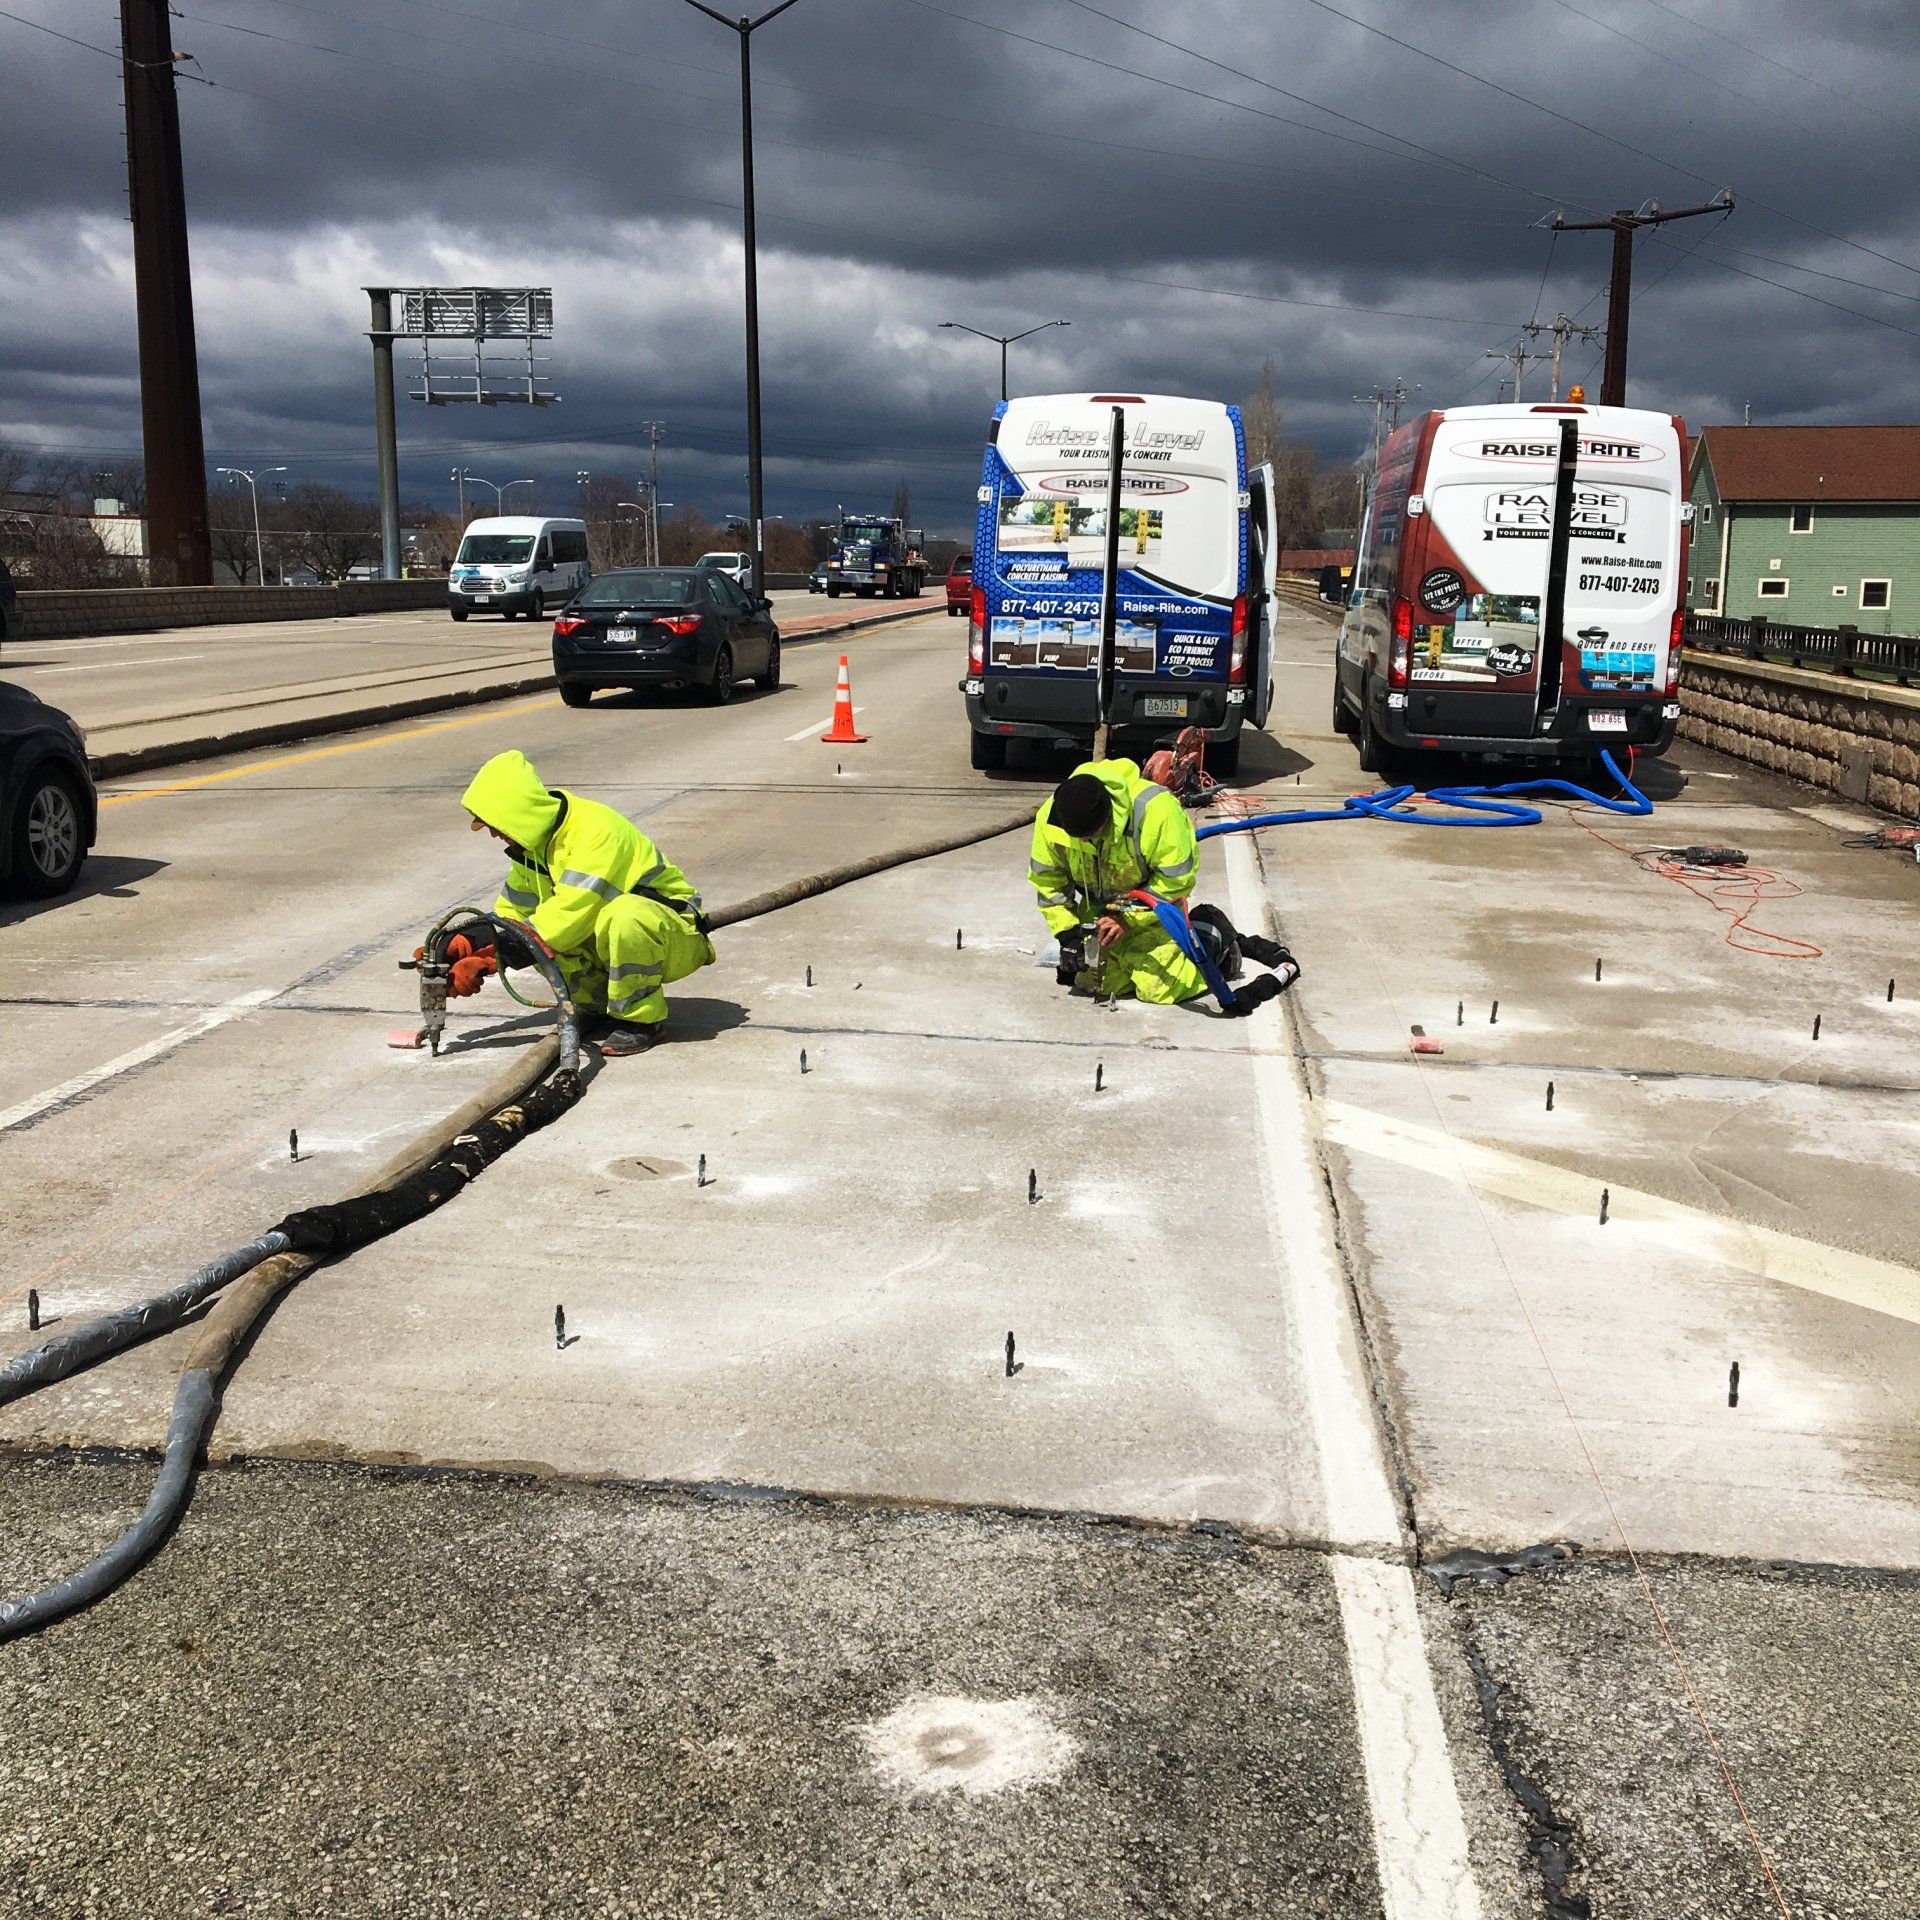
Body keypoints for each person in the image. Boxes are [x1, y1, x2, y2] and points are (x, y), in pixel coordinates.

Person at [455, 750, 714, 1057]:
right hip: (606, 932)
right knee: (531, 935)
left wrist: (498, 956)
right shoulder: (533, 846)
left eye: (494, 824)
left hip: (672, 933)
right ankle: (597, 1005)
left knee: (621, 916)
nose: (493, 833)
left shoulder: (596, 831)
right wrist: (468, 941)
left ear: (517, 813)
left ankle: (641, 1020)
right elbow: (513, 913)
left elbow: (568, 917)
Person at [1028, 757, 1296, 1017]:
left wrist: (1127, 918)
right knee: (1094, 983)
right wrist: (1069, 935)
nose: (1085, 842)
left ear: (1108, 817)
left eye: (1091, 835)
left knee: (1158, 988)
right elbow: (1049, 883)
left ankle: (1215, 939)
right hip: (1099, 911)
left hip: (1153, 909)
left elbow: (1176, 879)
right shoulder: (1052, 820)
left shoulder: (1156, 810)